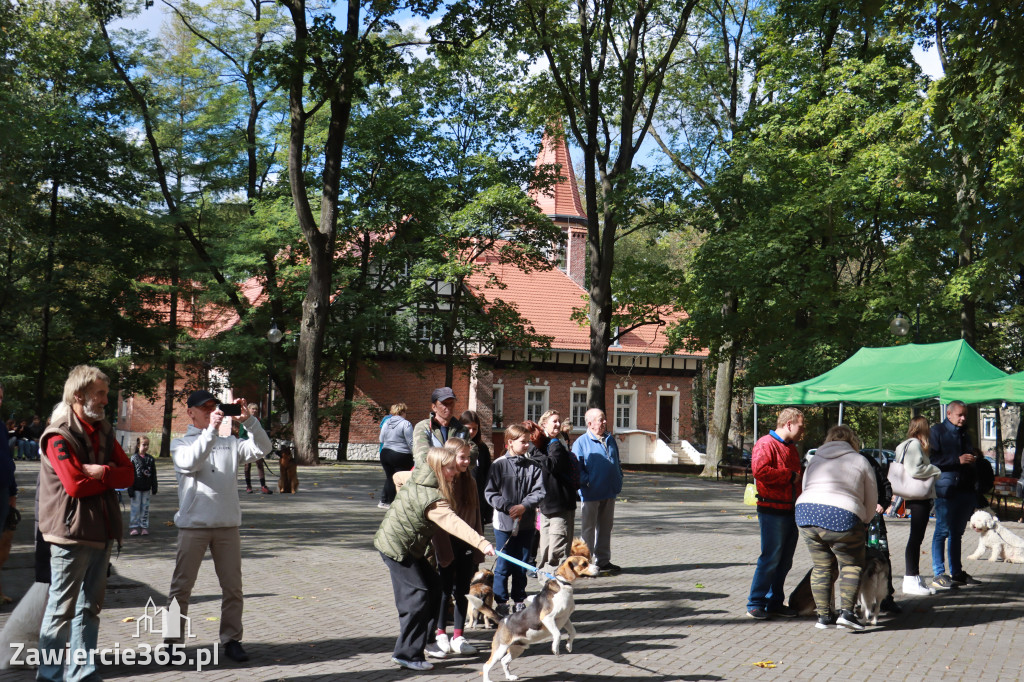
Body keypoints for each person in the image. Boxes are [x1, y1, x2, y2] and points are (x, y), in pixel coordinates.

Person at [36, 365, 135, 682]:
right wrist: (109, 476)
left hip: (102, 531)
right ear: (79, 395)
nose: (107, 400)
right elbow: (75, 486)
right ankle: (49, 676)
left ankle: (82, 673)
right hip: (70, 534)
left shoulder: (104, 430)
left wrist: (101, 473)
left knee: (89, 609)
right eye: (101, 394)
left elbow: (130, 474)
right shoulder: (58, 435)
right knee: (60, 610)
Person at [166, 389, 271, 663]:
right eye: (205, 408)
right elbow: (190, 463)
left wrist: (249, 422)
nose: (212, 411)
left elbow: (264, 448)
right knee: (181, 588)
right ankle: (172, 643)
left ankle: (232, 639)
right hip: (193, 526)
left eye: (215, 406)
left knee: (233, 588)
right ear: (190, 412)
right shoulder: (180, 443)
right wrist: (211, 430)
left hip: (227, 525)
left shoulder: (229, 442)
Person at [374, 446, 495, 672]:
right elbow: (454, 523)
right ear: (438, 468)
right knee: (417, 597)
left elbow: (397, 477)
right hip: (396, 547)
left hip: (411, 547)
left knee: (434, 586)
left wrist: (406, 503)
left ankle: (427, 640)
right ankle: (406, 654)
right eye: (449, 468)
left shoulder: (418, 473)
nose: (454, 472)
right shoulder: (433, 499)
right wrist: (482, 543)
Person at [795, 425, 877, 631]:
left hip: (806, 513)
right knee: (851, 564)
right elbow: (871, 496)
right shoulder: (859, 460)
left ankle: (824, 617)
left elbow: (806, 486)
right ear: (853, 441)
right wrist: (865, 521)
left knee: (821, 566)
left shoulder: (815, 459)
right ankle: (847, 613)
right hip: (843, 514)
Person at [746, 407, 805, 620]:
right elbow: (759, 471)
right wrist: (789, 476)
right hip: (772, 510)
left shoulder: (791, 448)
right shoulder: (765, 444)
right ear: (788, 424)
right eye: (800, 426)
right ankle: (755, 602)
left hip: (789, 510)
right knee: (770, 558)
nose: (802, 431)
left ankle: (774, 602)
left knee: (784, 560)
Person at [428, 437, 484, 659]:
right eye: (462, 457)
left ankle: (458, 636)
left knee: (462, 590)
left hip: (466, 543)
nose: (466, 461)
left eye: (468, 457)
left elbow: (477, 516)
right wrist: (443, 551)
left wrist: (478, 546)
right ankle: (440, 633)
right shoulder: (442, 483)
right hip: (445, 544)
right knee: (443, 590)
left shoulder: (470, 481)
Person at [486, 424, 545, 617]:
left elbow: (539, 491)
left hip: (527, 524)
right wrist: (508, 506)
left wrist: (524, 506)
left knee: (522, 564)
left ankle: (519, 600)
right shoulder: (499, 465)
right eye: (523, 442)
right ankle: (501, 601)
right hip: (504, 524)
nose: (527, 445)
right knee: (503, 565)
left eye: (528, 442)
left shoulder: (533, 466)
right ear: (510, 442)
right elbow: (490, 492)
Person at [929, 400, 981, 589]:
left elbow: (968, 459)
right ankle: (939, 573)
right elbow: (932, 460)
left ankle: (957, 572)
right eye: (960, 415)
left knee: (957, 533)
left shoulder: (965, 433)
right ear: (948, 414)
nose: (963, 418)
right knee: (942, 531)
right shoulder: (937, 432)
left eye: (965, 415)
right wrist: (956, 460)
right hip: (946, 489)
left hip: (965, 489)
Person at [572, 408, 623, 573]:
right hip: (590, 493)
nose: (604, 422)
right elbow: (576, 468)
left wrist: (618, 476)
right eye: (601, 419)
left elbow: (617, 461)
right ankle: (585, 564)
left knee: (606, 528)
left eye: (604, 419)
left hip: (609, 491)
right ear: (590, 423)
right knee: (588, 530)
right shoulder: (580, 442)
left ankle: (603, 560)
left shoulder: (610, 439)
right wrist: (588, 482)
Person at [529, 411, 579, 577]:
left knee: (556, 552)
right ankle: (546, 587)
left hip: (560, 504)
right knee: (545, 550)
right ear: (544, 424)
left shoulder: (556, 444)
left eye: (559, 421)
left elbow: (552, 465)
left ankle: (556, 586)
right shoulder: (543, 444)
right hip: (546, 505)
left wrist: (533, 452)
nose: (557, 424)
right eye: (554, 421)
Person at [895, 416, 941, 596]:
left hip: (913, 495)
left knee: (916, 537)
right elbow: (914, 470)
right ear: (923, 428)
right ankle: (911, 577)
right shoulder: (914, 445)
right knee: (916, 538)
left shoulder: (904, 444)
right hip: (918, 496)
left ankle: (914, 577)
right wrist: (935, 470)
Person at [858, 447, 901, 614]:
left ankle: (886, 598)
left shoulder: (867, 459)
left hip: (875, 519)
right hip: (853, 518)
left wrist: (883, 503)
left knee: (882, 556)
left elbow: (885, 484)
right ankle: (857, 601)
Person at [412, 387, 477, 468]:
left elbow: (472, 456)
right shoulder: (423, 427)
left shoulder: (462, 430)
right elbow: (422, 457)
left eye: (451, 403)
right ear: (434, 407)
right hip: (430, 478)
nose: (449, 407)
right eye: (444, 404)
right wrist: (457, 458)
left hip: (455, 479)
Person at [379, 403, 415, 510]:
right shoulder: (406, 424)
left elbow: (381, 439)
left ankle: (384, 501)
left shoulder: (386, 423)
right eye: (405, 412)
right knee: (401, 477)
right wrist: (415, 454)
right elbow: (411, 442)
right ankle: (395, 501)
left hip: (385, 453)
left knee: (390, 477)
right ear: (402, 412)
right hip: (401, 455)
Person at [0, 383, 17, 596]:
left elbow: (7, 461)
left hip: (3, 491)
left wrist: (13, 491)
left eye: (1, 397)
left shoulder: (1, 427)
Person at [460, 410, 492, 525]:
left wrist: (488, 510)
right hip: (460, 499)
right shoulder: (455, 445)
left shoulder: (482, 448)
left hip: (478, 499)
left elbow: (487, 475)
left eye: (475, 429)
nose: (471, 432)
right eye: (468, 428)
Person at [128, 435, 158, 536]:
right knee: (135, 508)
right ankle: (134, 527)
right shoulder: (133, 459)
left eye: (147, 445)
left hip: (146, 488)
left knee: (145, 508)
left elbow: (153, 474)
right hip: (136, 488)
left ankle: (144, 526)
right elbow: (130, 475)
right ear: (138, 445)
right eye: (143, 445)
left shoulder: (150, 459)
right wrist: (130, 488)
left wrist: (154, 486)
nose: (145, 447)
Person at [241, 404, 272, 494]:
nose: (254, 411)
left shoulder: (258, 420)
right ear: (249, 410)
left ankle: (263, 486)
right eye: (253, 409)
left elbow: (261, 433)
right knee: (247, 466)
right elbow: (242, 434)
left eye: (256, 409)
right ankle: (248, 486)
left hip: (257, 446)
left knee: (260, 465)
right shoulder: (243, 420)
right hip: (247, 446)